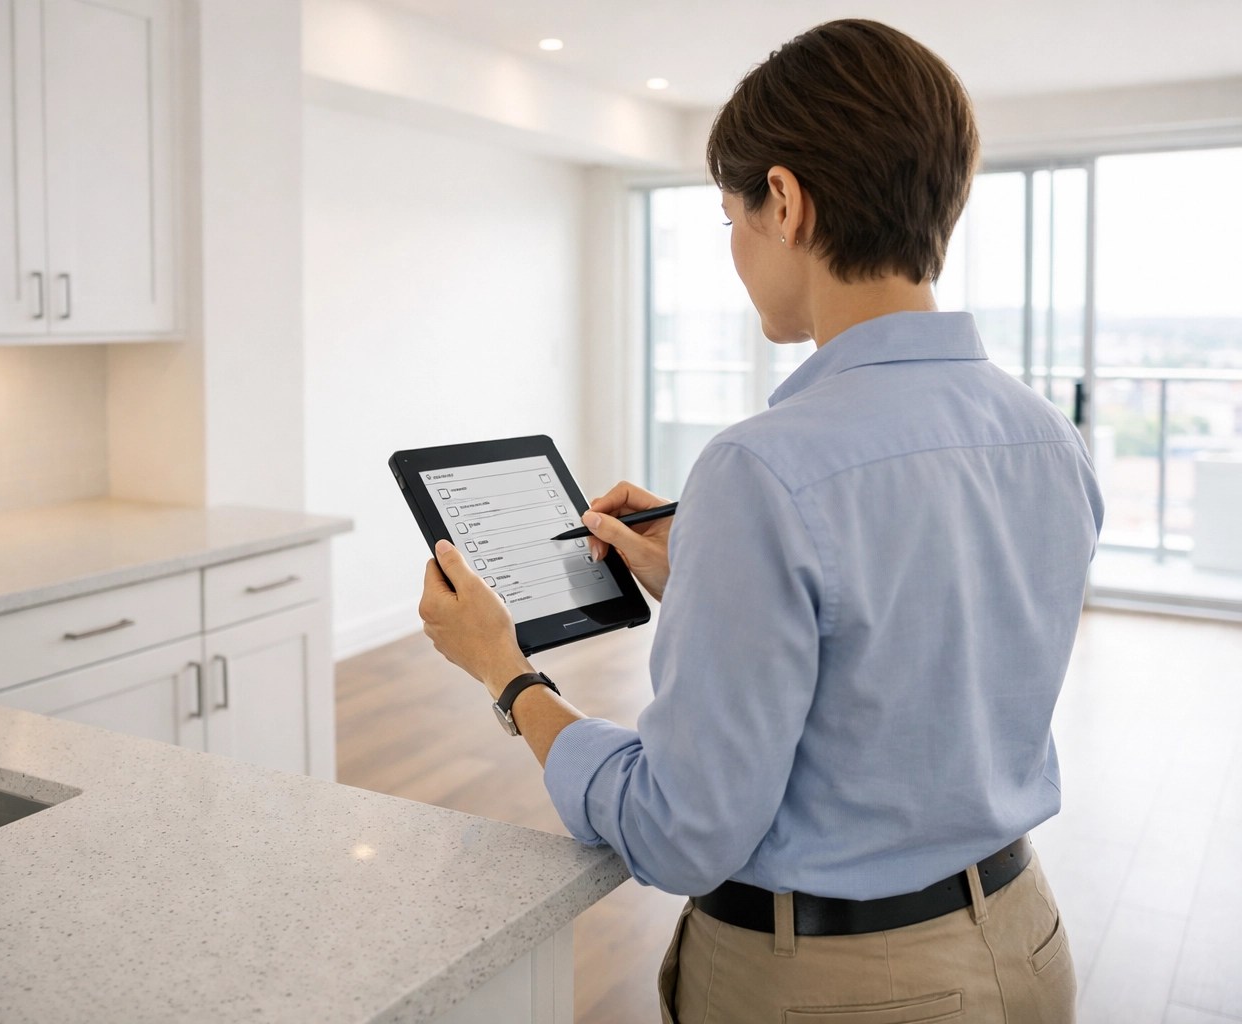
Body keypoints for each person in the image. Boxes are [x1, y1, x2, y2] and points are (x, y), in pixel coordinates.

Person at [416, 18, 1103, 1024]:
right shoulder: (1048, 438)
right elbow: (912, 656)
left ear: (783, 200)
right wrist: (707, 570)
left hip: (840, 988)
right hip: (1026, 941)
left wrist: (506, 672)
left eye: (730, 217)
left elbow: (682, 831)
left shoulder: (761, 468)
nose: (735, 252)